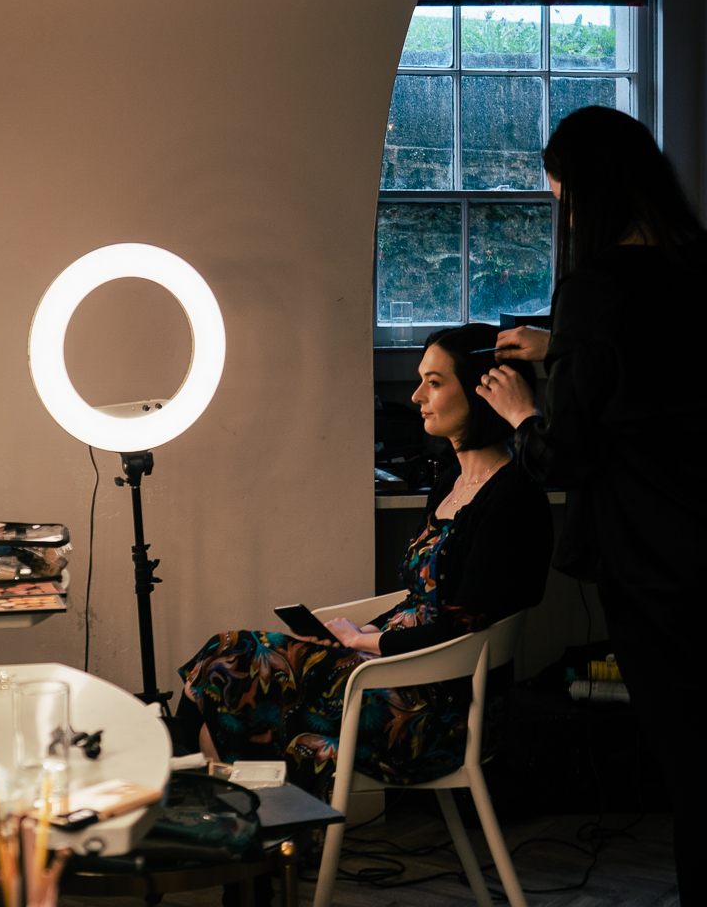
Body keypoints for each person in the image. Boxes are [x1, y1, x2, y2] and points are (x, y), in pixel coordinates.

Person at [475, 106, 707, 907]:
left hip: (662, 565)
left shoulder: (598, 289)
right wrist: (569, 352)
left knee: (697, 770)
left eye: (566, 201)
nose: (567, 217)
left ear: (592, 195)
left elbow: (569, 454)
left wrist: (522, 410)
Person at [171, 324, 551, 793]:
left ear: (486, 392)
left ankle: (203, 811)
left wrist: (368, 643)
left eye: (434, 382)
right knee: (228, 666)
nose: (416, 396)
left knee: (231, 660)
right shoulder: (451, 480)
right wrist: (369, 630)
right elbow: (421, 598)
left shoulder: (513, 495)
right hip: (395, 674)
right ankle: (234, 822)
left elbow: (460, 623)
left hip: (437, 708)